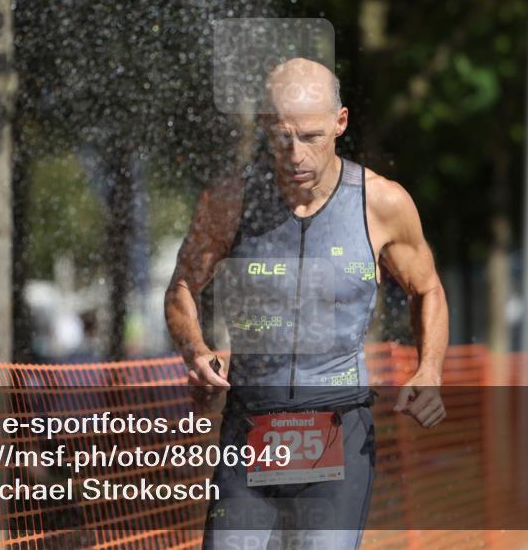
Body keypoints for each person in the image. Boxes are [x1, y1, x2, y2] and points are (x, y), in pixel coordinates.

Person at [165, 58, 449, 549]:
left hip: (338, 426)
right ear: (263, 128)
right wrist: (194, 348)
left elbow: (427, 288)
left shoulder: (381, 202)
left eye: (312, 137)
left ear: (340, 123)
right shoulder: (231, 201)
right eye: (281, 137)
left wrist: (430, 370)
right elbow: (181, 287)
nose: (295, 154)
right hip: (250, 426)